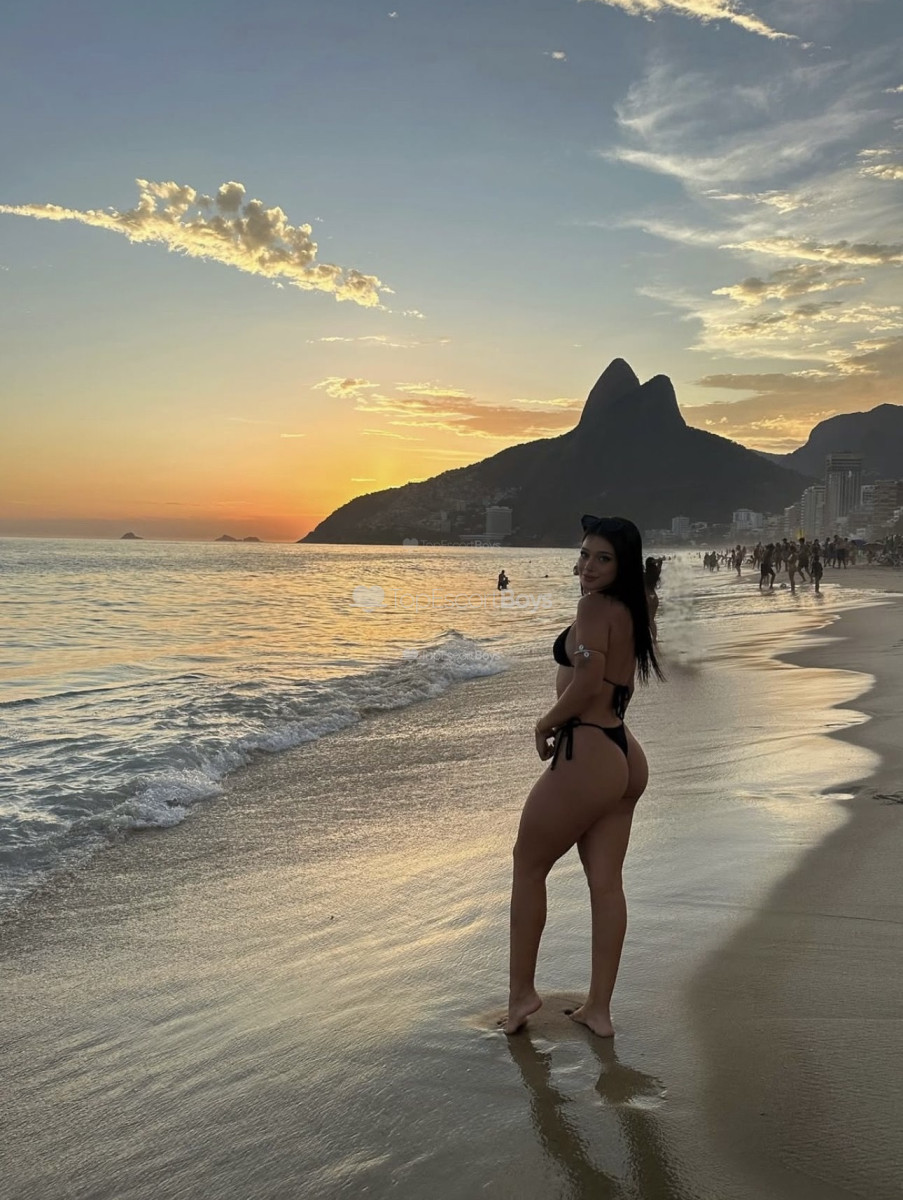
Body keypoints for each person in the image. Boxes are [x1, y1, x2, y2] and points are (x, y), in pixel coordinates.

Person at [504, 514, 663, 1036]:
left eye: (603, 558)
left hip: (589, 751)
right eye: (584, 554)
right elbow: (614, 680)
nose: (588, 567)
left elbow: (589, 680)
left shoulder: (594, 607)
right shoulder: (635, 606)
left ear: (622, 565)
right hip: (623, 753)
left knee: (528, 864)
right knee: (606, 883)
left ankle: (522, 996)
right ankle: (599, 1009)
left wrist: (544, 723)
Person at [643, 556, 662, 641]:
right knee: (651, 620)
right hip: (654, 597)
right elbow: (660, 564)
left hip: (647, 597)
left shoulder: (644, 575)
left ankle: (652, 640)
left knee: (648, 619)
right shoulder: (656, 573)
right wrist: (659, 561)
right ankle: (654, 639)